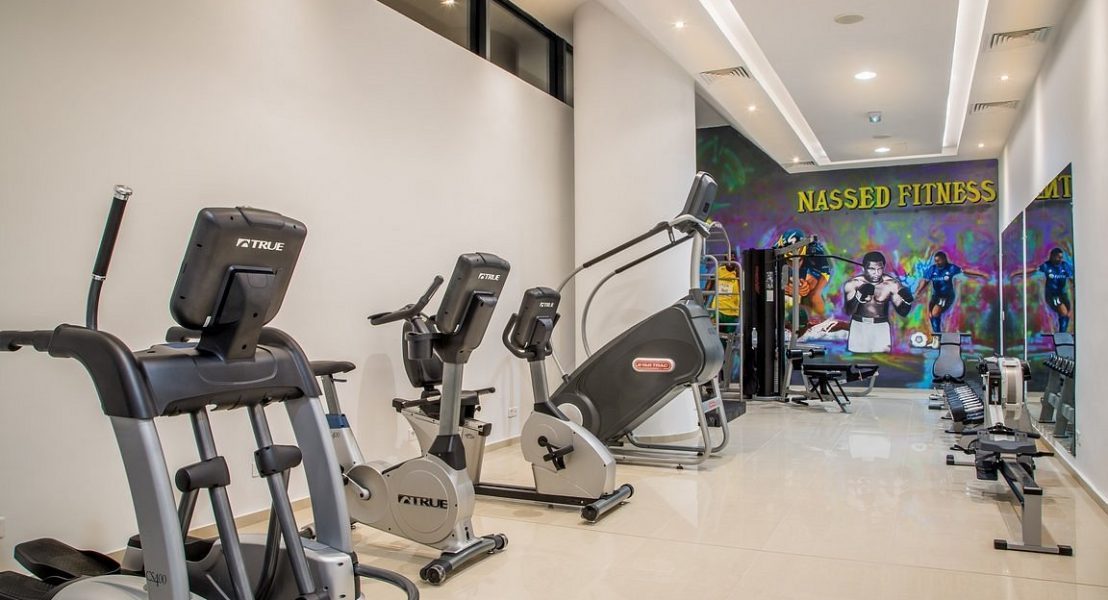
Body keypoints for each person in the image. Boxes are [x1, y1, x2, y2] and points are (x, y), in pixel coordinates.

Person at [843, 251, 913, 353]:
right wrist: (859, 296)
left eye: (879, 269)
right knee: (856, 359)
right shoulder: (853, 284)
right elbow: (848, 311)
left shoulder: (892, 284)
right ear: (864, 268)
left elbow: (903, 312)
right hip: (858, 326)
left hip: (881, 327)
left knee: (882, 360)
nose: (876, 273)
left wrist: (907, 301)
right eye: (872, 269)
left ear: (883, 268)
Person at [914, 251, 988, 334]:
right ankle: (937, 334)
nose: (937, 263)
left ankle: (938, 335)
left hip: (946, 296)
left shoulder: (951, 268)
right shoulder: (933, 269)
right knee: (931, 315)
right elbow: (925, 281)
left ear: (944, 259)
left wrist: (981, 274)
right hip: (935, 296)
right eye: (935, 261)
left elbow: (965, 271)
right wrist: (918, 291)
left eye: (938, 261)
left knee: (935, 312)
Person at [774, 229, 832, 330]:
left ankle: (824, 320)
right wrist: (785, 288)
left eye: (798, 260)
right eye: (790, 261)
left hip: (816, 265)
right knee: (781, 292)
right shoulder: (776, 250)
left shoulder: (814, 250)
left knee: (813, 294)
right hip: (788, 265)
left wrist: (803, 288)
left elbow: (811, 284)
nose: (794, 264)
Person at [1015, 247, 1075, 332]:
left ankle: (1062, 333)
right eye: (1058, 257)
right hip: (1052, 295)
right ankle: (1062, 333)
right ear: (1053, 256)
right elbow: (1034, 271)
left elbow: (1071, 277)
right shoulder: (1047, 266)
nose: (1060, 259)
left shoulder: (1064, 265)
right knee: (1063, 312)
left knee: (1066, 314)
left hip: (1063, 294)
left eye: (1061, 257)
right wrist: (1018, 274)